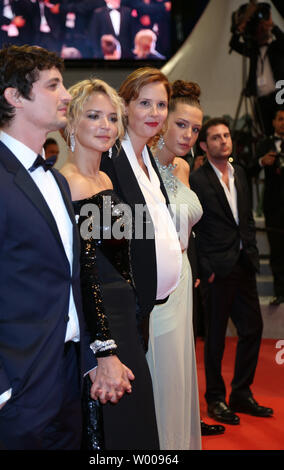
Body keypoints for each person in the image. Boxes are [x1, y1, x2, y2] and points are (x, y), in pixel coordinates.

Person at [0, 44, 108, 450]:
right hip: (17, 392)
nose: (67, 95)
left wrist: (89, 360)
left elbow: (68, 282)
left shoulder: (56, 181)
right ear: (14, 97)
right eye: (54, 85)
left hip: (68, 380)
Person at [60, 78, 159, 450]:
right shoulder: (65, 184)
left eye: (113, 117)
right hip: (100, 325)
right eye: (94, 116)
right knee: (108, 431)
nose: (106, 125)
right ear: (71, 123)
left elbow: (123, 257)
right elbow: (82, 273)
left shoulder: (105, 177)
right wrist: (103, 349)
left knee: (137, 426)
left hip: (126, 321)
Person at [147, 80, 225, 449]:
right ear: (162, 120)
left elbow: (187, 230)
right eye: (181, 124)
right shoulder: (139, 165)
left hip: (183, 280)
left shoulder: (182, 167)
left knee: (180, 373)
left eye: (195, 128)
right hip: (156, 286)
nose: (189, 134)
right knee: (159, 372)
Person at [190, 117, 273, 425]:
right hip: (216, 271)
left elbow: (246, 220)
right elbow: (194, 227)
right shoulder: (197, 180)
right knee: (215, 338)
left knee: (253, 330)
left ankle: (241, 392)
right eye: (215, 137)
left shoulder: (239, 175)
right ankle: (215, 398)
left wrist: (250, 250)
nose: (223, 141)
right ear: (204, 145)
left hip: (243, 265)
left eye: (226, 136)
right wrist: (206, 268)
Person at [101, 68, 183, 356]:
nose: (155, 113)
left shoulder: (148, 156)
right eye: (144, 103)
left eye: (161, 105)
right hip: (123, 309)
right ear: (125, 106)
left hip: (148, 305)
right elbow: (102, 245)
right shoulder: (109, 159)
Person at [229, 2, 284, 135]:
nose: (260, 31)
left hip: (279, 94)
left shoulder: (276, 47)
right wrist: (240, 29)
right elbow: (234, 44)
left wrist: (272, 25)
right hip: (260, 97)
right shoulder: (252, 50)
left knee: (281, 125)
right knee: (266, 131)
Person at [254, 107, 284, 305]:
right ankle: (279, 292)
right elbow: (247, 169)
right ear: (273, 122)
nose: (283, 123)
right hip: (274, 208)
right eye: (280, 119)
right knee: (277, 253)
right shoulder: (264, 144)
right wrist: (261, 162)